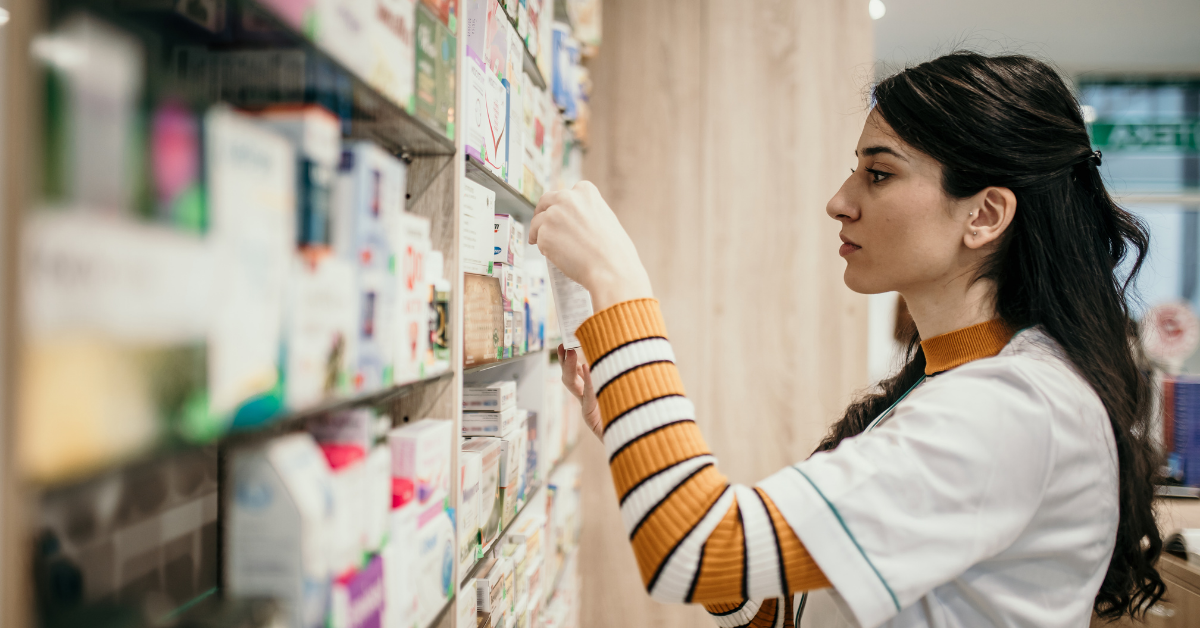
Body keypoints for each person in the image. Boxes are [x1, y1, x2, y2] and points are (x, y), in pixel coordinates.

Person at [529, 52, 1164, 627]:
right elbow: (786, 614)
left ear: (985, 214)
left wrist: (617, 284)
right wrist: (624, 419)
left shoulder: (1017, 409)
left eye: (879, 175)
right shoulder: (954, 383)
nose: (839, 201)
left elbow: (695, 551)